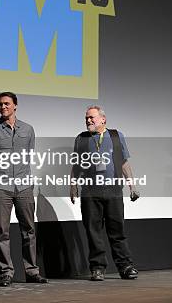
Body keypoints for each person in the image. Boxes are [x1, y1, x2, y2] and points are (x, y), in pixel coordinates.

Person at [0, 92, 48, 287]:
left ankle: (32, 271)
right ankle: (6, 272)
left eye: (7, 104)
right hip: (1, 186)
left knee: (29, 229)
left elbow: (29, 154)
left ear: (15, 106)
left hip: (24, 185)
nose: (3, 107)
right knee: (2, 230)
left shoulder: (28, 129)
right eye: (0, 104)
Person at [70, 105, 139, 281]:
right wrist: (73, 186)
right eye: (86, 118)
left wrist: (132, 185)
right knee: (93, 232)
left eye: (92, 117)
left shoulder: (116, 136)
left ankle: (126, 267)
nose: (88, 121)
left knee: (117, 230)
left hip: (113, 189)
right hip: (90, 191)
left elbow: (124, 162)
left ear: (103, 119)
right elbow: (76, 165)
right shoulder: (82, 138)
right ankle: (98, 268)